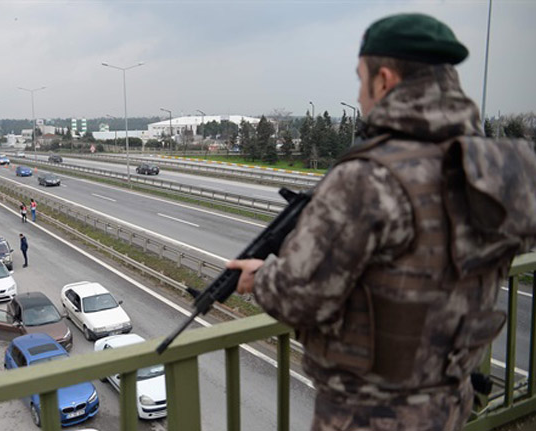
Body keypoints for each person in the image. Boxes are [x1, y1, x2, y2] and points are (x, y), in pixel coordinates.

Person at [228, 13, 536, 431]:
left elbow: (302, 297)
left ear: (385, 80)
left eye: (361, 80)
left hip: (371, 415)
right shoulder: (496, 167)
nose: (359, 96)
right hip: (451, 401)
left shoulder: (366, 178)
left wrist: (260, 279)